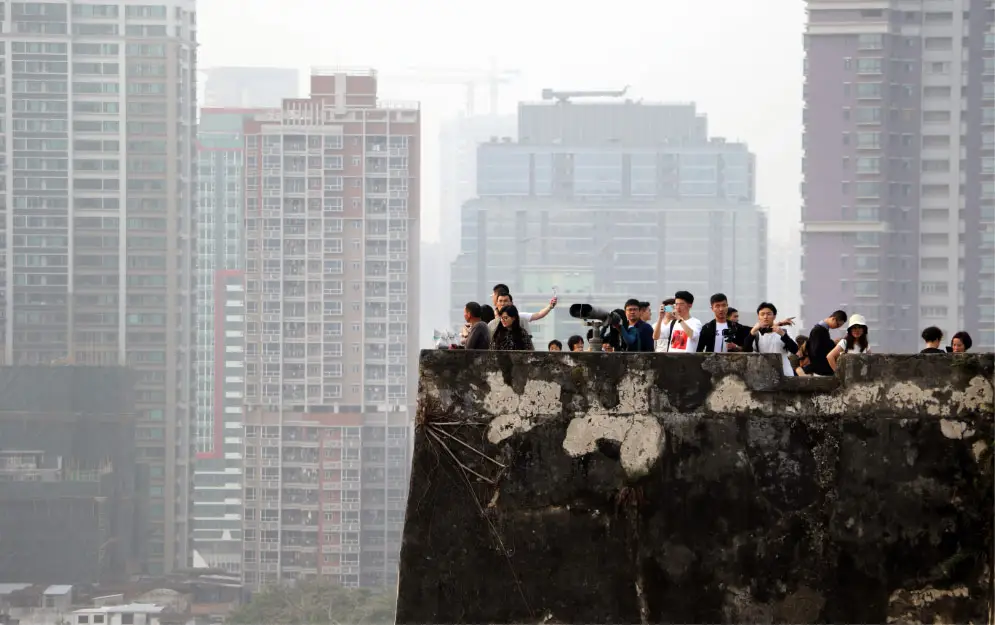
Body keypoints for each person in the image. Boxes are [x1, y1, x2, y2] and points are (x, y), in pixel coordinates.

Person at [750, 302, 799, 376]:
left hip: (785, 373)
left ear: (774, 316)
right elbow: (746, 350)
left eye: (769, 314)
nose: (765, 317)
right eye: (762, 314)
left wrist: (783, 334)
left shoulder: (784, 331)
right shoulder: (755, 334)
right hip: (764, 375)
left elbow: (795, 350)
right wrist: (752, 332)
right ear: (758, 316)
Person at [798, 310, 848, 376]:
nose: (837, 327)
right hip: (819, 370)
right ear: (833, 319)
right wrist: (833, 344)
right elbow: (816, 351)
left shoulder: (821, 330)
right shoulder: (818, 330)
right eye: (838, 324)